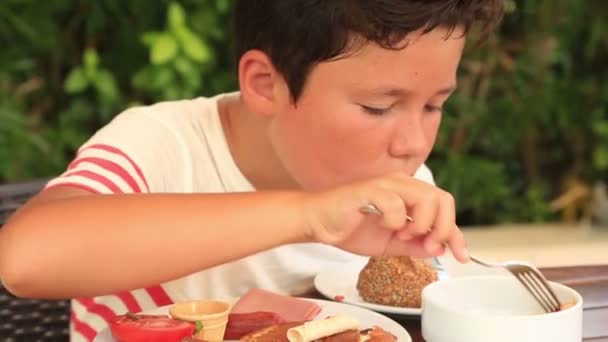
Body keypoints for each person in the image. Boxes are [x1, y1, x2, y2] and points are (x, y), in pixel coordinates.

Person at [0, 1, 504, 340]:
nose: (413, 144)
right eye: (377, 108)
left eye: (435, 106)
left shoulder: (404, 190)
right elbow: (24, 258)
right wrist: (309, 215)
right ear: (266, 84)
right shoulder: (162, 146)